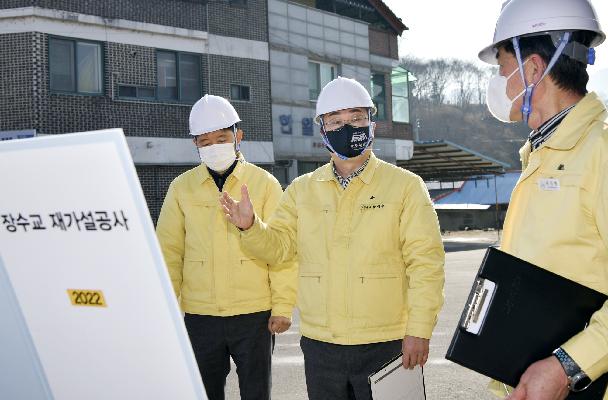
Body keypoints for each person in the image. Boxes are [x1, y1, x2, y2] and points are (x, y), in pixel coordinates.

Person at [220, 77, 445, 400]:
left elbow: (426, 264)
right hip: (321, 345)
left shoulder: (405, 186)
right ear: (322, 130)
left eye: (356, 119)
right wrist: (251, 227)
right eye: (336, 122)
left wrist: (419, 330)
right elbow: (279, 249)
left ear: (372, 124)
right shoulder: (301, 190)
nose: (347, 128)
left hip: (386, 341)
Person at [478, 0, 607, 399]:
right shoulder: (543, 153)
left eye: (502, 70)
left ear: (532, 68)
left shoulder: (600, 151)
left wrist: (568, 365)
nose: (500, 83)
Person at [156, 94, 297, 400]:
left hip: (254, 313)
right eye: (205, 141)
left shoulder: (265, 184)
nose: (214, 146)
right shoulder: (181, 188)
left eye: (222, 137)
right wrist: (165, 309)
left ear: (238, 136)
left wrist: (283, 306)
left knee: (256, 392)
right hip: (200, 314)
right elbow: (168, 253)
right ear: (195, 144)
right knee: (203, 392)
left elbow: (282, 251)